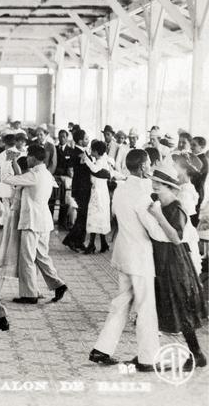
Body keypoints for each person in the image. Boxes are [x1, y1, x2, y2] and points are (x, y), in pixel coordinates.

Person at [89, 149, 171, 371]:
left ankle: (101, 349)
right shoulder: (142, 196)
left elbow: (117, 217)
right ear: (144, 166)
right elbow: (155, 232)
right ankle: (148, 359)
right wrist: (171, 232)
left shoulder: (121, 190)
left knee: (121, 303)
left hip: (123, 253)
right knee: (146, 308)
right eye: (149, 165)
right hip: (140, 257)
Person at [147, 165, 207, 370]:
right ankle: (191, 354)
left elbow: (176, 237)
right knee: (168, 309)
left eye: (159, 187)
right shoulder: (160, 204)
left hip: (174, 262)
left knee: (181, 309)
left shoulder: (175, 207)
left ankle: (196, 354)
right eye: (154, 186)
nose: (155, 190)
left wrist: (158, 215)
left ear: (171, 188)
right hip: (162, 260)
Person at [3, 145, 68, 304]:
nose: (28, 159)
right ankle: (58, 284)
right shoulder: (45, 174)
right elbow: (21, 180)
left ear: (33, 157)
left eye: (28, 157)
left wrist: (7, 162)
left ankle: (29, 294)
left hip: (31, 221)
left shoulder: (34, 175)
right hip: (44, 221)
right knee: (41, 256)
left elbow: (8, 179)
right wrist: (14, 163)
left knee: (27, 258)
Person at [82, 140, 115, 253]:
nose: (91, 151)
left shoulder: (101, 161)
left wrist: (86, 159)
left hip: (99, 193)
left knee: (96, 216)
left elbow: (94, 169)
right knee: (98, 217)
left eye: (92, 150)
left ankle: (92, 244)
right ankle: (103, 243)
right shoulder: (101, 160)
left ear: (96, 151)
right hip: (99, 191)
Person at [62, 128, 91, 251]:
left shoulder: (82, 152)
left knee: (84, 215)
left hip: (84, 187)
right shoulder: (77, 153)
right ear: (80, 141)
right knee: (82, 215)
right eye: (86, 139)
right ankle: (71, 240)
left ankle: (79, 241)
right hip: (81, 188)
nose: (88, 140)